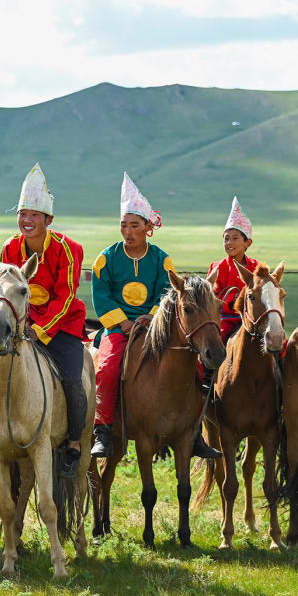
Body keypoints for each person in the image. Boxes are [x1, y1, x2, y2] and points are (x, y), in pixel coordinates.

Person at [90, 173, 221, 460]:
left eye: (135, 225)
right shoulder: (106, 258)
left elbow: (167, 295)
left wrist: (150, 318)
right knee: (107, 368)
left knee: (196, 370)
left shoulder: (162, 260)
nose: (128, 232)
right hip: (117, 328)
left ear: (148, 227)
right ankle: (103, 430)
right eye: (124, 225)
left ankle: (194, 432)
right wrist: (122, 321)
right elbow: (101, 295)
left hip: (155, 326)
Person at [0, 163, 88, 478]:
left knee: (73, 380)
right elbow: (4, 290)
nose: (27, 220)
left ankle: (74, 443)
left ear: (48, 220)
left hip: (60, 325)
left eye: (34, 215)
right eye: (23, 214)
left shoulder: (68, 249)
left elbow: (66, 296)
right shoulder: (9, 247)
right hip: (21, 323)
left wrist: (40, 330)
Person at [207, 197, 259, 344]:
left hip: (254, 319)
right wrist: (234, 301)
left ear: (248, 242)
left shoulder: (257, 267)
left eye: (235, 238)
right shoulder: (217, 267)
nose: (229, 243)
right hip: (226, 319)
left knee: (277, 340)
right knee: (217, 344)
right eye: (226, 239)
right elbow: (211, 298)